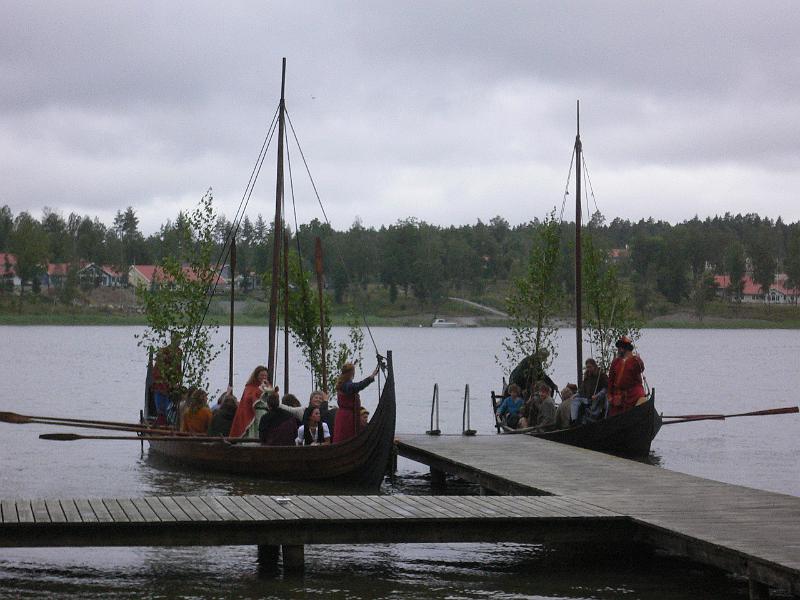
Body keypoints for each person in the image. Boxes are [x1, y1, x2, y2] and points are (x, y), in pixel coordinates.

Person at [333, 362, 379, 443]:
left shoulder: (343, 384)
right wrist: (371, 377)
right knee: (346, 438)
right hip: (347, 418)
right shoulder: (346, 385)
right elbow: (358, 386)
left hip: (346, 415)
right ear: (351, 373)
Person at [607, 336, 646, 417]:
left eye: (620, 347)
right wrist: (610, 395)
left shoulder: (635, 360)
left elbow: (641, 368)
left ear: (624, 348)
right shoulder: (615, 362)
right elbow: (610, 380)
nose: (618, 350)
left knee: (640, 399)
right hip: (618, 395)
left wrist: (638, 359)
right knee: (614, 412)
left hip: (633, 393)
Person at [229, 366, 272, 437]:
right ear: (256, 376)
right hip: (254, 415)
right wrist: (260, 389)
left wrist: (269, 390)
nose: (264, 377)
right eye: (262, 375)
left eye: (265, 375)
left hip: (266, 413)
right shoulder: (250, 387)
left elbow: (273, 400)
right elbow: (248, 399)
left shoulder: (268, 387)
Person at [151, 333, 182, 425]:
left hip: (172, 386)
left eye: (180, 341)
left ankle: (170, 423)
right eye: (177, 340)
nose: (179, 343)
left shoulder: (179, 352)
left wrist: (176, 381)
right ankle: (162, 425)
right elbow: (157, 372)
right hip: (161, 386)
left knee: (173, 409)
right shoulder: (163, 352)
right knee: (162, 410)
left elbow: (178, 369)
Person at [571, 358, 610, 424]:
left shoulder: (601, 376)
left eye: (590, 367)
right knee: (575, 401)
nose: (588, 369)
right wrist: (575, 395)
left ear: (594, 366)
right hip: (587, 399)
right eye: (587, 367)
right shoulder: (587, 377)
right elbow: (581, 391)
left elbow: (605, 388)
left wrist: (597, 395)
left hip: (597, 399)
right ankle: (574, 421)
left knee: (604, 400)